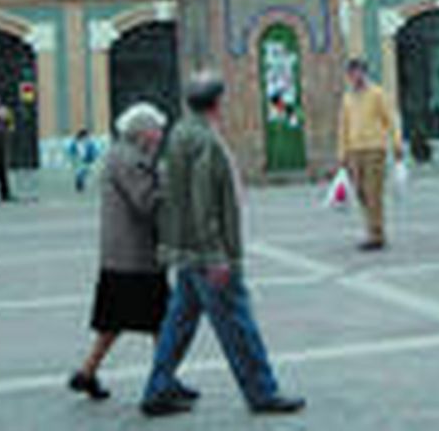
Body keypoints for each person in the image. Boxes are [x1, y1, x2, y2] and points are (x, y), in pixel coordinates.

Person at [140, 73, 304, 417]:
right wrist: (216, 254)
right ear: (217, 103)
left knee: (179, 321)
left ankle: (157, 388)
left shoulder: (181, 133)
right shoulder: (204, 140)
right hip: (206, 252)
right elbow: (205, 202)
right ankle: (262, 391)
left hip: (186, 249)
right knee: (237, 322)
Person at [68, 102, 173, 403]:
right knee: (161, 320)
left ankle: (87, 373)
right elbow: (146, 202)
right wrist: (168, 181)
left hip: (123, 257)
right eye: (157, 130)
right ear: (142, 132)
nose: (161, 135)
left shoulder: (127, 155)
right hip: (135, 258)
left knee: (116, 322)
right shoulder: (129, 160)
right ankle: (163, 382)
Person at [335, 59, 403, 251]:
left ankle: (376, 234)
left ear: (365, 73)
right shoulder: (347, 98)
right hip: (355, 150)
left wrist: (396, 143)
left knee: (374, 193)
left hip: (375, 148)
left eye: (359, 73)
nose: (355, 77)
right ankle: (372, 228)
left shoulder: (377, 94)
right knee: (360, 192)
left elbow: (391, 119)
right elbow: (343, 127)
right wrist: (342, 153)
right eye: (352, 74)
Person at [68, 129, 101, 193]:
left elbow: (95, 151)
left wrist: (96, 157)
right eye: (86, 136)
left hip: (89, 161)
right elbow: (71, 152)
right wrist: (72, 160)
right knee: (80, 173)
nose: (87, 138)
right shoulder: (75, 143)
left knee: (91, 172)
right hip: (79, 161)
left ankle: (83, 184)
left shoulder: (90, 143)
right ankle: (80, 186)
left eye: (88, 136)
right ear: (82, 136)